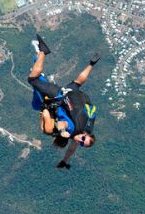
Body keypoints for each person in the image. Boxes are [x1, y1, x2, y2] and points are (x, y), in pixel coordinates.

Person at [28, 34, 99, 169]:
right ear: (85, 135)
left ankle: (91, 64)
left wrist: (65, 161)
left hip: (73, 96)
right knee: (33, 79)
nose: (80, 141)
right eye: (83, 140)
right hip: (59, 96)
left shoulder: (86, 129)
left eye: (82, 143)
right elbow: (63, 124)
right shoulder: (72, 130)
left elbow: (72, 149)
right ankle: (43, 51)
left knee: (77, 83)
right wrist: (62, 132)